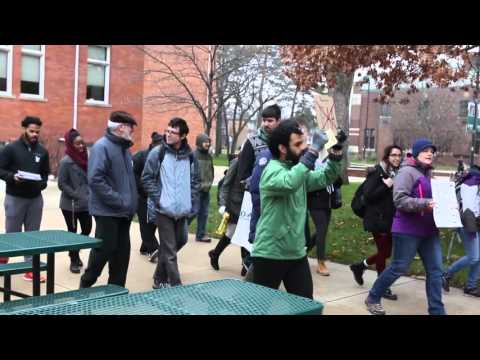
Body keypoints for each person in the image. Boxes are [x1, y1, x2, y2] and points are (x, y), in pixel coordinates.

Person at [251, 119, 343, 299]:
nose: (304, 147)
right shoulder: (272, 170)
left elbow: (325, 178)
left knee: (305, 306)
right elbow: (290, 183)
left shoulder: (298, 170)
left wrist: (335, 153)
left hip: (296, 253)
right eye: (298, 144)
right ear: (283, 148)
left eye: (305, 142)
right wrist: (314, 150)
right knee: (261, 308)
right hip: (270, 254)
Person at [365, 138, 446, 315]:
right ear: (416, 153)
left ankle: (437, 310)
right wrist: (425, 204)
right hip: (407, 230)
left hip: (429, 231)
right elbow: (400, 200)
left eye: (432, 151)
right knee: (398, 268)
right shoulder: (407, 172)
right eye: (426, 150)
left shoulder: (428, 173)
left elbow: (436, 201)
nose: (430, 153)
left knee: (436, 270)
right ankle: (373, 297)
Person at [79, 111, 138, 288]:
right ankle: (85, 285)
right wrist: (119, 201)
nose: (132, 131)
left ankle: (116, 294)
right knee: (103, 252)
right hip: (107, 212)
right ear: (121, 128)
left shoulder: (125, 150)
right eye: (131, 128)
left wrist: (131, 203)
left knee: (121, 257)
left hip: (123, 214)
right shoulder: (101, 147)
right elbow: (95, 179)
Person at [142, 117, 200, 288]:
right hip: (163, 210)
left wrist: (190, 200)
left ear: (182, 136)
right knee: (170, 250)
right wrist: (160, 199)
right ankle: (176, 286)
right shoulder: (157, 153)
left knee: (179, 241)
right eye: (167, 131)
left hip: (182, 210)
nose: (168, 135)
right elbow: (146, 178)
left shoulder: (190, 156)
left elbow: (196, 180)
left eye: (173, 132)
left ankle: (159, 277)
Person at [349, 145, 403, 300]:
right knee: (384, 253)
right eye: (393, 155)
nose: (397, 158)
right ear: (387, 156)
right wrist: (386, 186)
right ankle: (382, 287)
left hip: (389, 219)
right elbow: (368, 195)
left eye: (399, 155)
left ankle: (360, 266)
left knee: (384, 252)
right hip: (377, 219)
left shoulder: (395, 173)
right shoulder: (377, 172)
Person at [0, 116, 50, 282]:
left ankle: (31, 270)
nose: (35, 134)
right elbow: (1, 169)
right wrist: (13, 177)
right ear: (24, 129)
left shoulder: (42, 151)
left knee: (32, 235)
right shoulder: (11, 149)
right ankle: (2, 264)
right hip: (15, 197)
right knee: (12, 234)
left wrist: (41, 184)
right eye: (31, 131)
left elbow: (44, 174)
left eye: (37, 131)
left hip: (35, 199)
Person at [57, 129, 92, 274]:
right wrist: (76, 194)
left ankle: (74, 252)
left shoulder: (87, 158)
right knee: (72, 232)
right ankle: (74, 259)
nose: (81, 146)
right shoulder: (66, 161)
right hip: (70, 204)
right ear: (70, 145)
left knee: (87, 229)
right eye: (77, 144)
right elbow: (62, 184)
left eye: (82, 143)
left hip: (86, 203)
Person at [442, 165, 480, 297]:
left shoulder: (474, 182)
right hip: (468, 224)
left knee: (478, 257)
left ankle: (471, 286)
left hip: (475, 223)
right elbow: (468, 211)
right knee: (473, 257)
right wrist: (471, 228)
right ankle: (446, 274)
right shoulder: (471, 184)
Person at [208, 154, 246, 273]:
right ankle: (215, 254)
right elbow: (225, 184)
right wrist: (222, 205)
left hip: (247, 204)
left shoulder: (256, 162)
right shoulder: (236, 162)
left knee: (245, 234)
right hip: (234, 205)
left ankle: (245, 264)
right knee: (231, 232)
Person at [133, 132, 163, 260]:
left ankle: (144, 247)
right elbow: (134, 177)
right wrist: (144, 190)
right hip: (143, 197)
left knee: (153, 223)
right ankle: (155, 250)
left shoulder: (165, 156)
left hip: (157, 196)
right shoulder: (140, 156)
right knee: (146, 225)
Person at [190, 133, 214, 243]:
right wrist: (195, 186)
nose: (208, 144)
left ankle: (200, 234)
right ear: (199, 142)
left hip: (206, 189)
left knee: (204, 213)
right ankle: (179, 231)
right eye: (205, 141)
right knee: (193, 212)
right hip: (196, 190)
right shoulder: (193, 155)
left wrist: (209, 183)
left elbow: (211, 171)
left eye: (209, 142)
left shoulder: (209, 156)